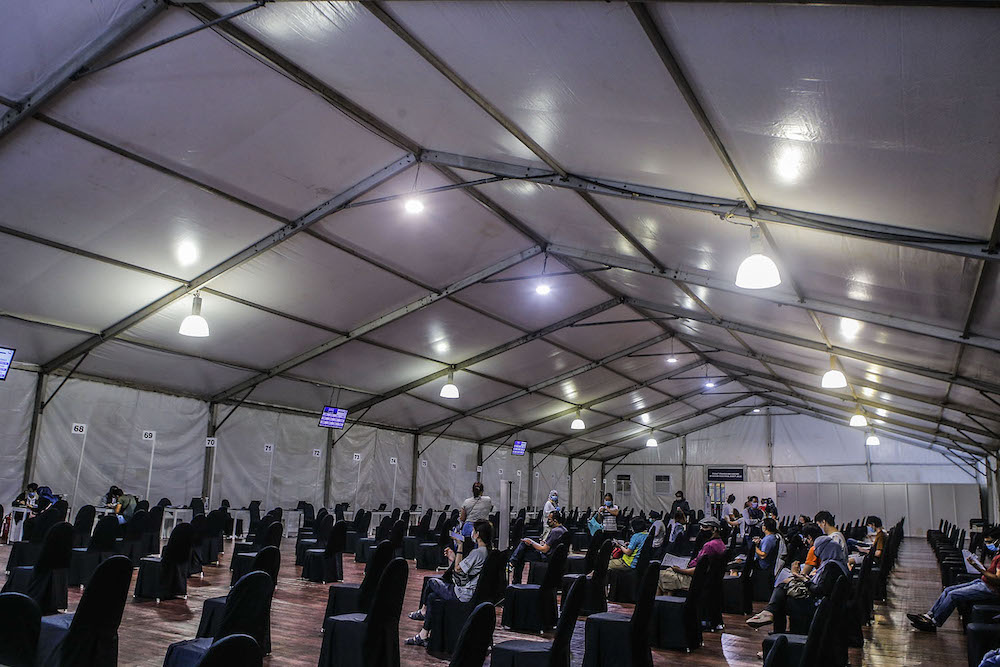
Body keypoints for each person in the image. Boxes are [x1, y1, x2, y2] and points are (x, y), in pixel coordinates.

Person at [405, 521, 493, 647]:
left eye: (473, 531)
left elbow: (457, 569)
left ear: (477, 534)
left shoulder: (477, 552)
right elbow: (466, 571)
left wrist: (460, 546)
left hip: (463, 594)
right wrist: (453, 557)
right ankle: (423, 635)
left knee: (431, 582)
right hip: (473, 592)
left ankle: (423, 611)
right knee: (432, 597)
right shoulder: (487, 552)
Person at [747, 535, 849, 629]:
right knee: (782, 589)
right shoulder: (838, 564)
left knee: (781, 598)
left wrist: (804, 580)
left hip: (819, 605)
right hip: (827, 604)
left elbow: (820, 589)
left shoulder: (831, 566)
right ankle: (770, 615)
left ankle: (771, 619)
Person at [909, 527, 1000, 632]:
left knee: (953, 595)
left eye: (989, 542)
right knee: (948, 590)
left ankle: (934, 622)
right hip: (983, 582)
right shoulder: (998, 553)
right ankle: (929, 616)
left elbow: (998, 579)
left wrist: (979, 568)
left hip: (990, 589)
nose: (987, 545)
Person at [658, 516, 727, 594]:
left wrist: (679, 570)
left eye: (705, 527)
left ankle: (664, 602)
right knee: (666, 578)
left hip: (695, 579)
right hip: (704, 578)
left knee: (661, 575)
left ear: (714, 529)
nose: (701, 529)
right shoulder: (720, 543)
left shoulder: (709, 546)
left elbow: (699, 570)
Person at [508, 510, 566, 584]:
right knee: (524, 545)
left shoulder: (555, 531)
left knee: (521, 554)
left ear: (555, 521)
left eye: (549, 519)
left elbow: (544, 549)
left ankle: (512, 567)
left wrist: (531, 543)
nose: (548, 521)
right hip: (552, 555)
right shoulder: (563, 530)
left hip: (546, 557)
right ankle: (512, 564)